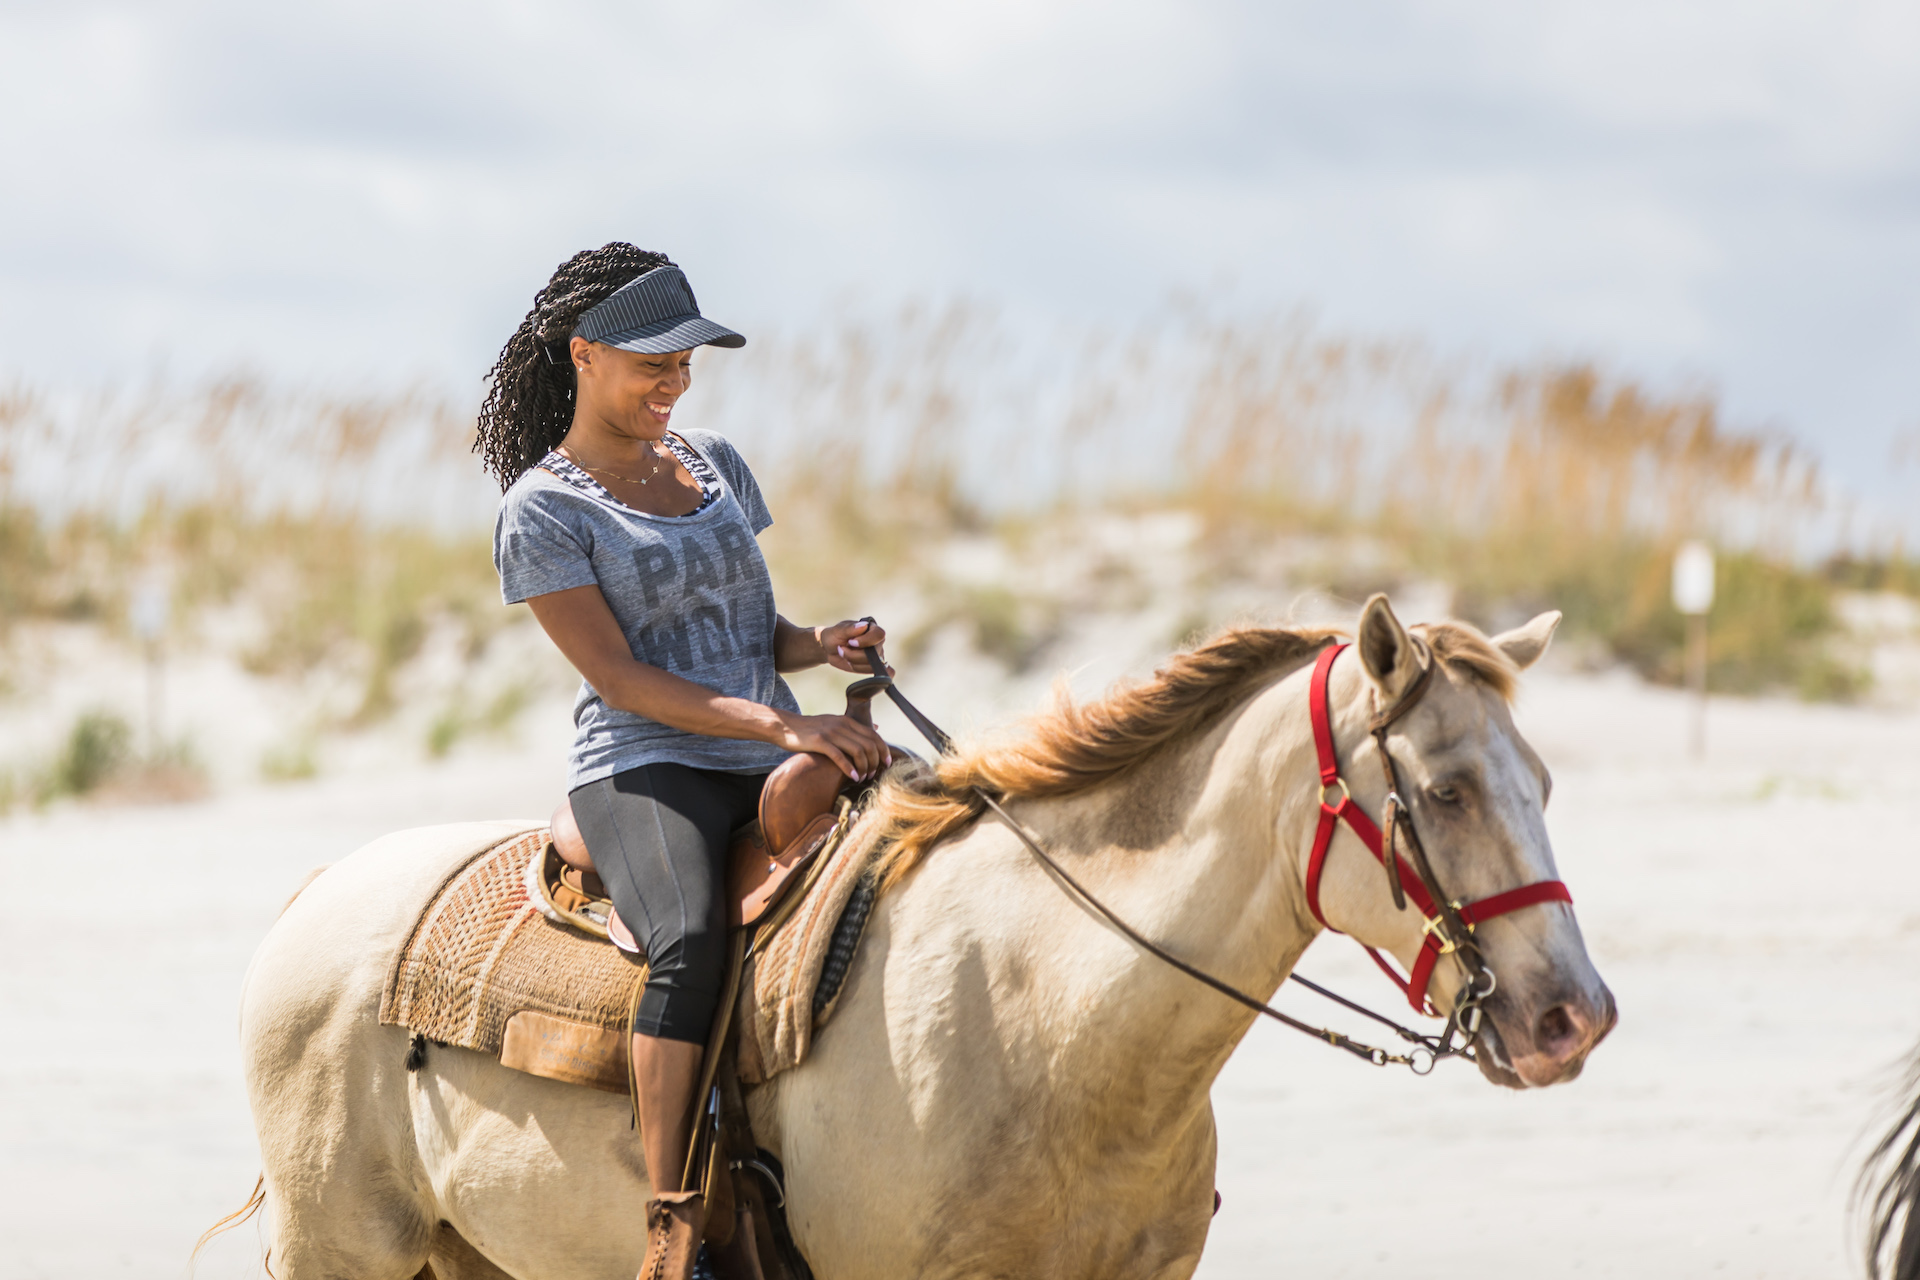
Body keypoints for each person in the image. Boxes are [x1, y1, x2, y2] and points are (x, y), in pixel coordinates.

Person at [478, 243, 891, 1278]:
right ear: (584, 355)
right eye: (652, 365)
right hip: (644, 762)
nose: (674, 384)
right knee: (692, 938)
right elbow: (620, 677)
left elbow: (748, 630)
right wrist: (784, 729)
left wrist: (821, 645)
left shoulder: (713, 462)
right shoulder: (545, 509)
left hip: (762, 739)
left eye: (685, 366)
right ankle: (673, 1219)